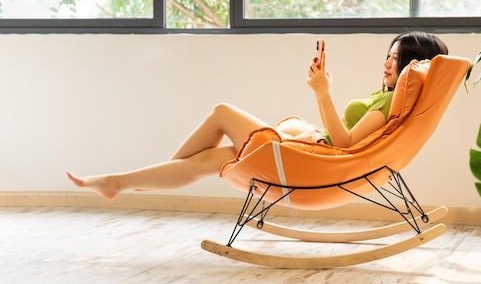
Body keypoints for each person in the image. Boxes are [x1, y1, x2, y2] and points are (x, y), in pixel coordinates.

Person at [67, 31, 448, 200]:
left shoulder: (386, 106)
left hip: (312, 156)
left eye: (396, 59)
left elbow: (346, 144)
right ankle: (118, 182)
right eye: (389, 53)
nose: (386, 63)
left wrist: (323, 93)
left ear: (412, 66)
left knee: (221, 112)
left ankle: (152, 177)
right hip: (313, 152)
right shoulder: (386, 99)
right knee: (205, 161)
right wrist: (324, 91)